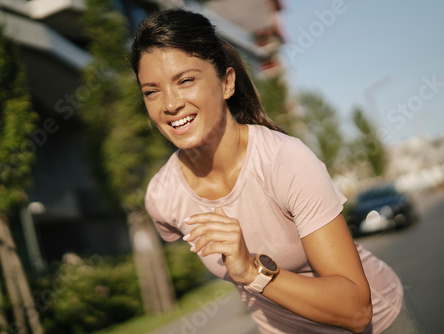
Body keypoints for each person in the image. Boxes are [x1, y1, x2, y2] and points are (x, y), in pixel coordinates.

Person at [130, 8, 407, 334]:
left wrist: (250, 269)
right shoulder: (163, 197)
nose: (170, 104)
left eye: (186, 80)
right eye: (152, 91)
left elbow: (357, 310)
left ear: (227, 83)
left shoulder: (284, 161)